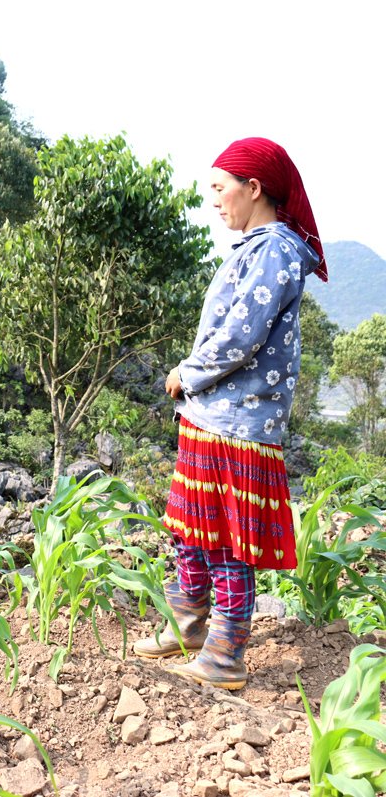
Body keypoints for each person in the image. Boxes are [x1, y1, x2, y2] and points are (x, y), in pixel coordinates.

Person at [135, 137, 325, 691]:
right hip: (213, 414)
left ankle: (224, 657)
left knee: (225, 539)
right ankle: (188, 626)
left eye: (220, 188)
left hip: (237, 419)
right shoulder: (256, 247)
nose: (214, 200)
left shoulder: (274, 250)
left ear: (254, 188)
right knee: (192, 529)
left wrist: (185, 374)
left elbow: (241, 336)